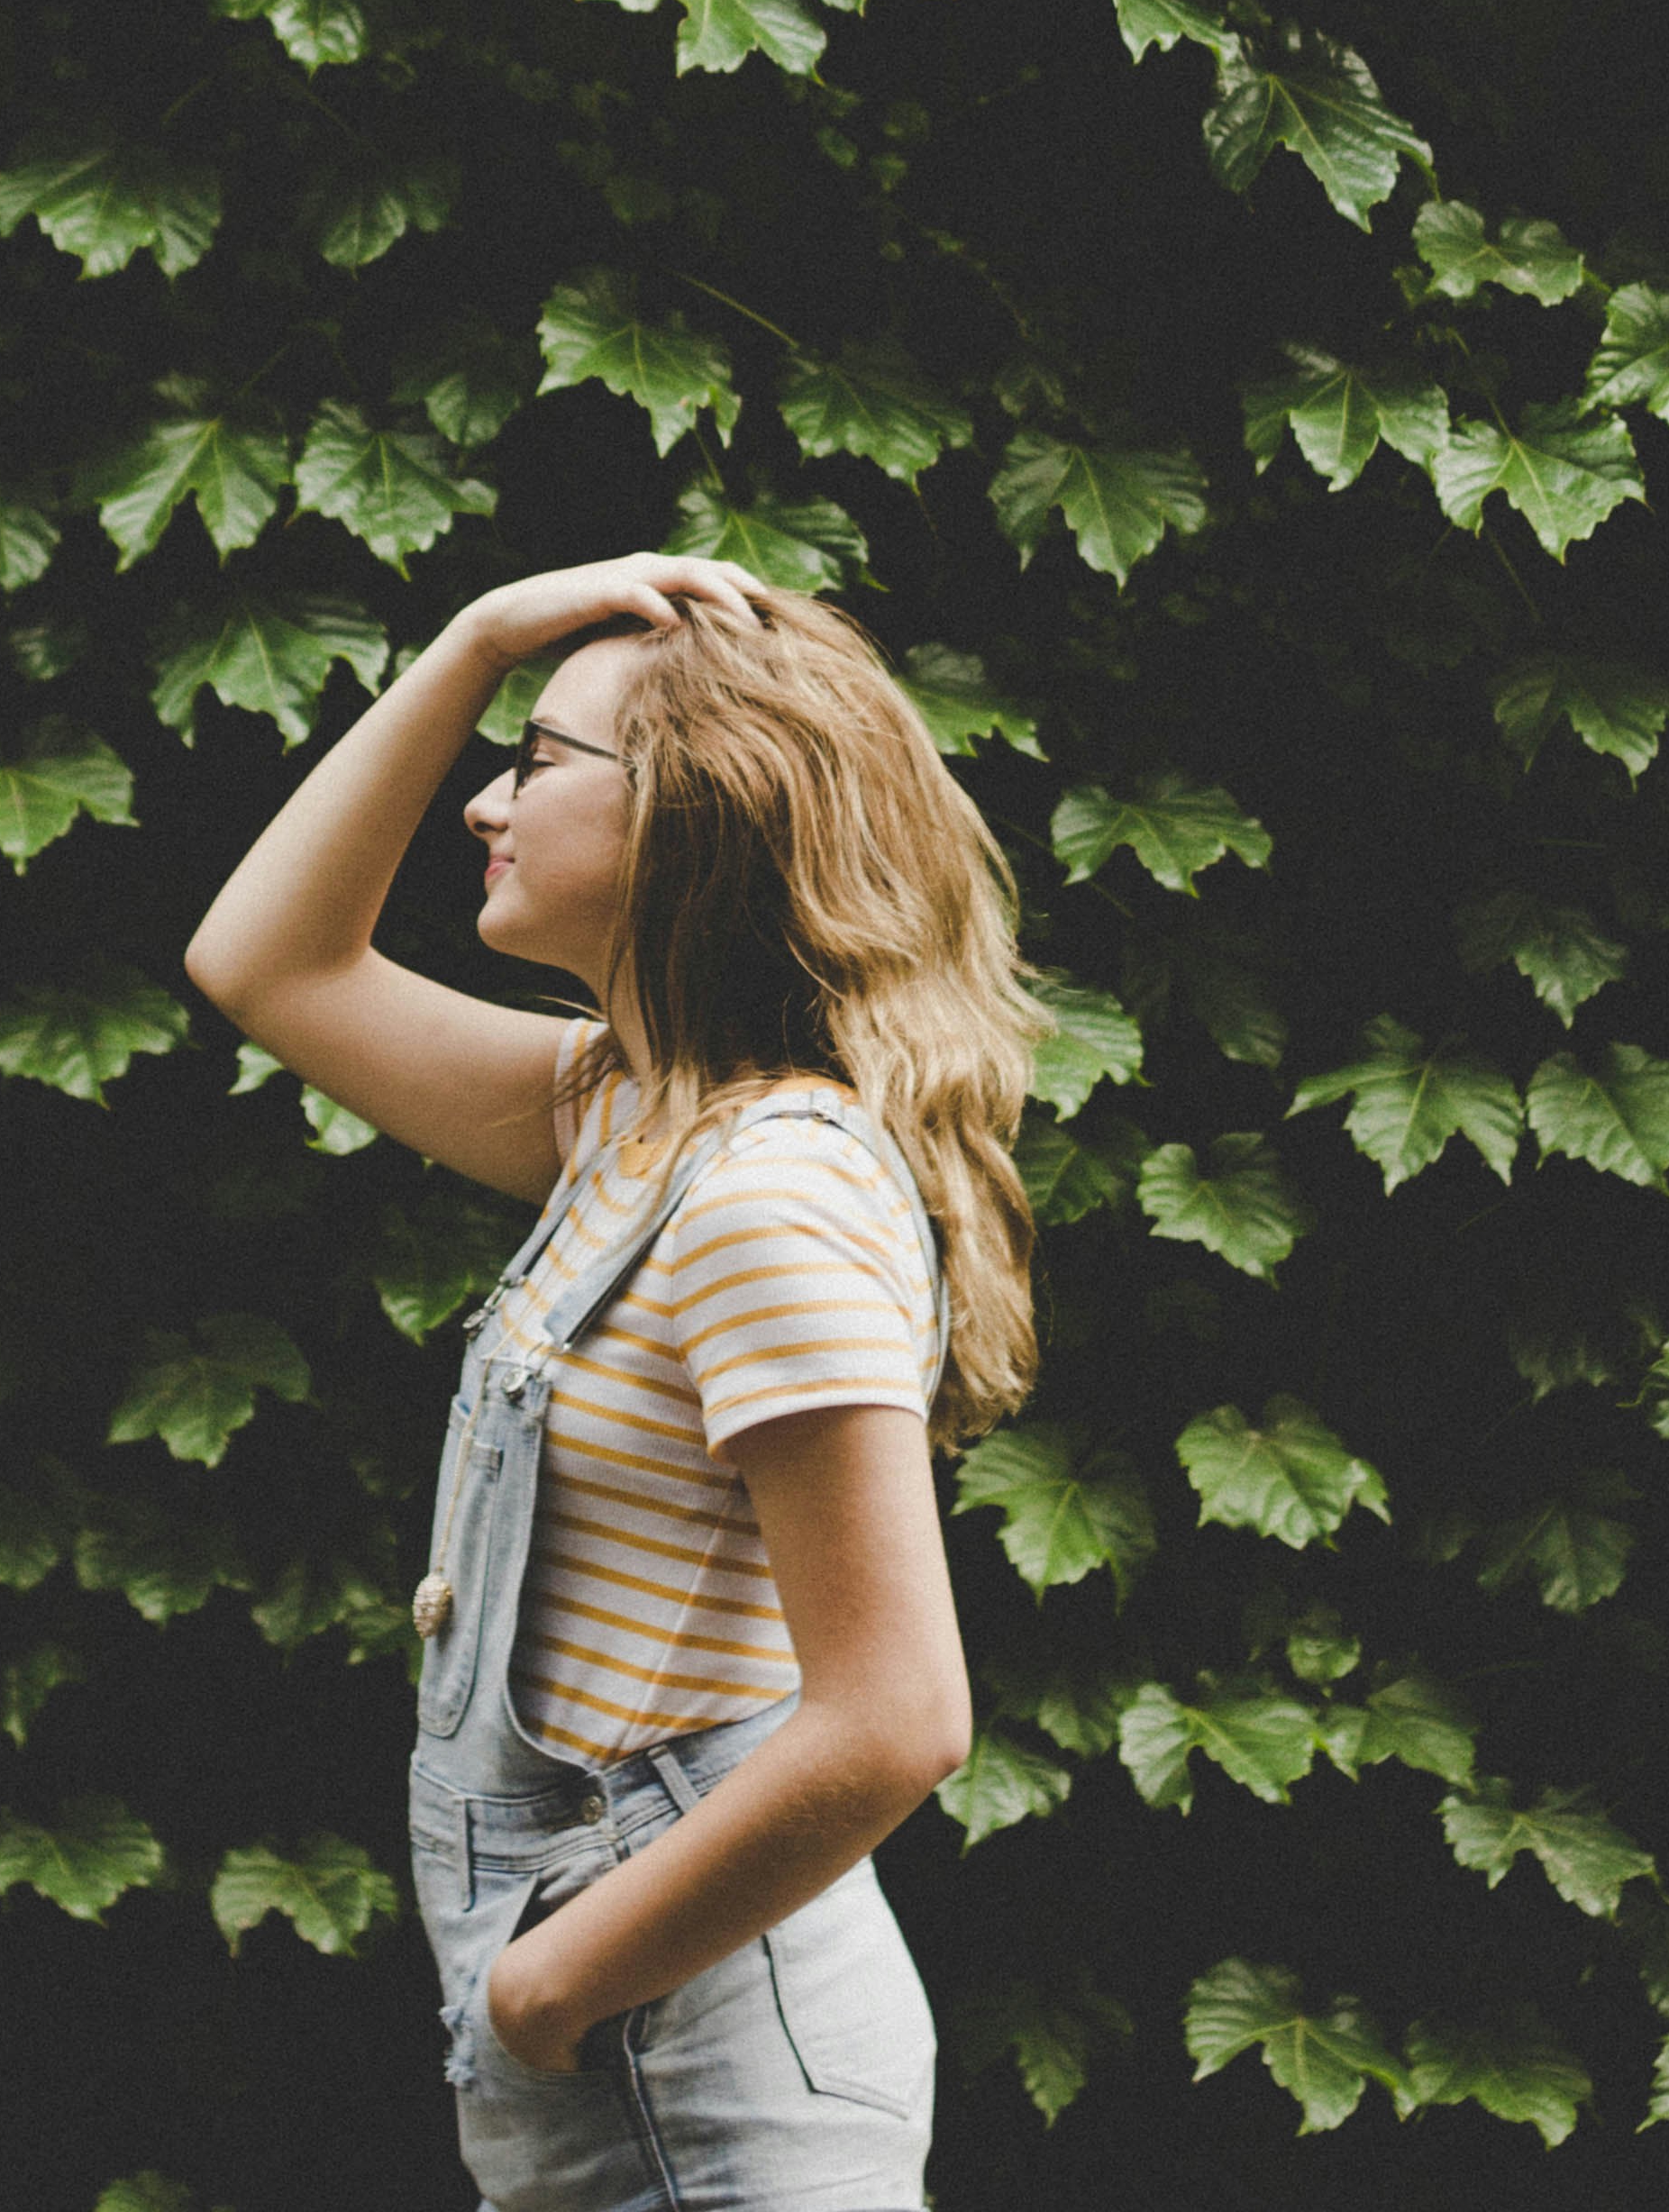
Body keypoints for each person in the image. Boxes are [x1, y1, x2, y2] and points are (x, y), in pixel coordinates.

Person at [183, 551, 1047, 2212]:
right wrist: (479, 638)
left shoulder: (763, 1195)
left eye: (538, 760)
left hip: (707, 2089)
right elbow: (270, 964)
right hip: (640, 2060)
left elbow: (897, 1717)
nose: (483, 808)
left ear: (695, 815)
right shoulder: (633, 1120)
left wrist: (549, 1984)